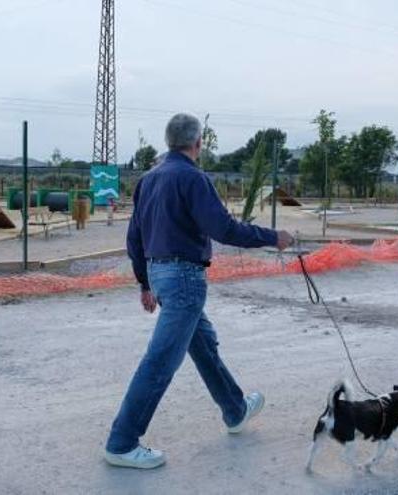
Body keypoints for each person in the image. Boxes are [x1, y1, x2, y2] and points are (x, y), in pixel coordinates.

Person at [104, 113, 294, 469]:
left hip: (161, 274)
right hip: (185, 279)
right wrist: (273, 238)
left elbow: (134, 237)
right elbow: (223, 228)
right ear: (198, 143)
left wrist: (145, 282)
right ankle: (122, 441)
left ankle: (235, 410)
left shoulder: (149, 179)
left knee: (204, 347)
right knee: (160, 360)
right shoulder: (193, 178)